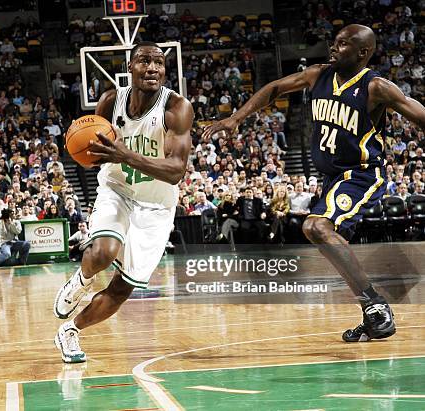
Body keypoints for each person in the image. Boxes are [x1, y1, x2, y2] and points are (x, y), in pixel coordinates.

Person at [204, 24, 425, 342]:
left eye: (343, 44)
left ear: (363, 52)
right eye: (334, 43)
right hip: (332, 179)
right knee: (324, 237)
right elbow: (275, 88)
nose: (334, 48)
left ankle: (376, 305)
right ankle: (373, 309)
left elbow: (419, 116)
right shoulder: (317, 75)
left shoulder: (376, 87)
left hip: (360, 175)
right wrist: (236, 118)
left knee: (316, 228)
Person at [53, 41, 194, 363]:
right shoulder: (110, 101)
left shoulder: (177, 108)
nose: (152, 68)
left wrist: (124, 154)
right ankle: (81, 281)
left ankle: (70, 331)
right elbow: (92, 149)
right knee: (103, 251)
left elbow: (175, 171)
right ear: (130, 67)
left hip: (157, 206)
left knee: (123, 288)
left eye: (158, 63)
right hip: (117, 189)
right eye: (144, 61)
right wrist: (84, 151)